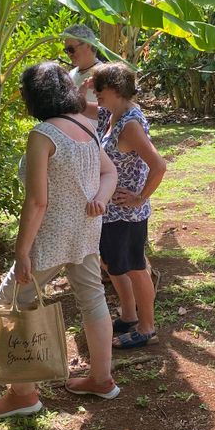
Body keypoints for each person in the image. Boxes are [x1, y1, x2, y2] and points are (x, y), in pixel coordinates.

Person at [0, 62, 120, 419]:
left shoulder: (42, 134)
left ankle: (23, 393)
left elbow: (37, 201)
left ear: (34, 96)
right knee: (92, 299)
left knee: (8, 300)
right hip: (86, 233)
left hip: (50, 237)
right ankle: (101, 379)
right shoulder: (86, 127)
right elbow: (110, 172)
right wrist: (101, 199)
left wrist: (21, 250)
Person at [93, 63, 167, 349]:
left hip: (127, 213)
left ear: (113, 89)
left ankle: (146, 327)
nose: (96, 94)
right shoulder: (113, 115)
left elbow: (159, 166)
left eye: (100, 88)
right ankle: (128, 315)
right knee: (114, 265)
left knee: (136, 268)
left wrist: (140, 197)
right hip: (112, 212)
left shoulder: (130, 123)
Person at [63, 24, 102, 112]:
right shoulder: (71, 74)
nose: (69, 54)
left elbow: (111, 110)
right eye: (66, 51)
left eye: (71, 49)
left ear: (87, 45)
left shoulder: (103, 74)